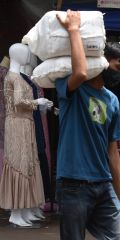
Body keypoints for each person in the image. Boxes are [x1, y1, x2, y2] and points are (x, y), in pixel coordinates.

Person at [55, 10, 120, 240]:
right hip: (73, 185)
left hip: (103, 185)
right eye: (118, 69)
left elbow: (113, 151)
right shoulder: (73, 89)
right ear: (103, 61)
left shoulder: (112, 100)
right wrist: (74, 29)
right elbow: (80, 72)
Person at [0, 43, 52, 227]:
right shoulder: (12, 77)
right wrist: (37, 101)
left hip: (25, 123)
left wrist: (39, 103)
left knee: (28, 164)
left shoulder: (17, 76)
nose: (28, 57)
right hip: (17, 124)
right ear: (16, 55)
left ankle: (24, 209)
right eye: (24, 54)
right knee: (18, 164)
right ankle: (16, 212)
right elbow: (18, 102)